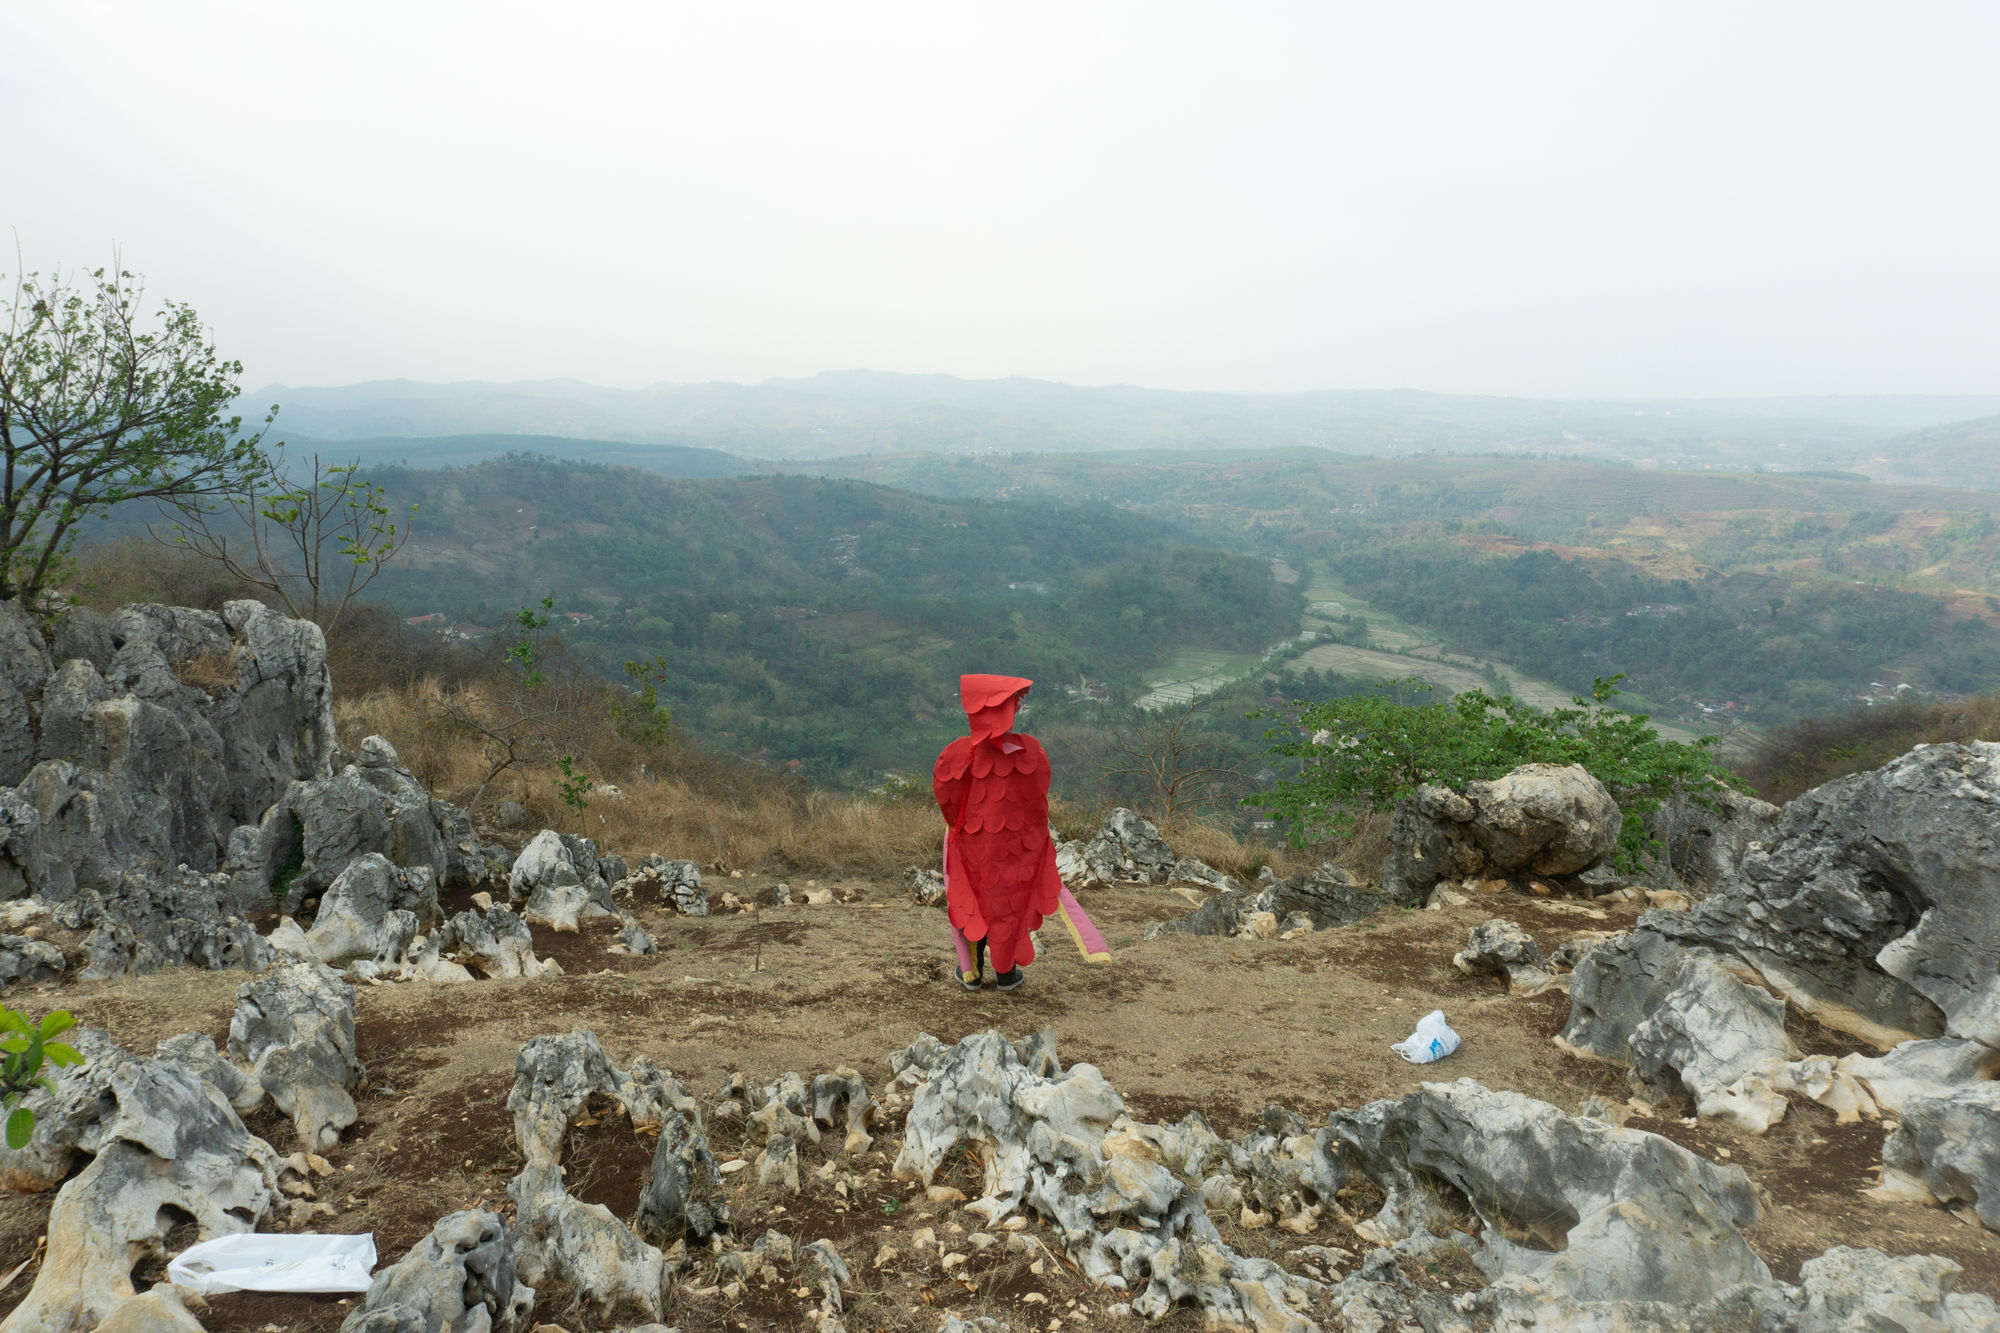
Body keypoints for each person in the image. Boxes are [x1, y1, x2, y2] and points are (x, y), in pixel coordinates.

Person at [932, 673, 1108, 991]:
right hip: (1016, 847)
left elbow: (948, 804)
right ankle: (1006, 974)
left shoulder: (956, 755)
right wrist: (1036, 841)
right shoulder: (1029, 751)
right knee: (1009, 903)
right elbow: (1038, 806)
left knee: (974, 900)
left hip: (973, 847)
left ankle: (973, 970)